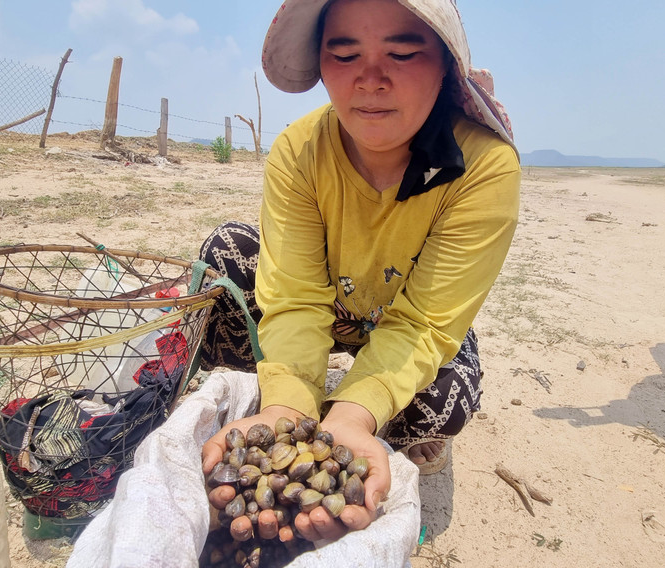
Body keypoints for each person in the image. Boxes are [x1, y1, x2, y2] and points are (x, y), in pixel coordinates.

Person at [199, 0, 520, 544]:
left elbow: (424, 324)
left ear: (445, 66)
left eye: (402, 52)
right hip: (329, 308)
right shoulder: (299, 152)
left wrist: (351, 420)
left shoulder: (484, 166)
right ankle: (284, 400)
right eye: (345, 54)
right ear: (320, 65)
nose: (370, 79)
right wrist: (284, 407)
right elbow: (296, 298)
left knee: (447, 399)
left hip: (407, 320)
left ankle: (369, 421)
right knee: (226, 254)